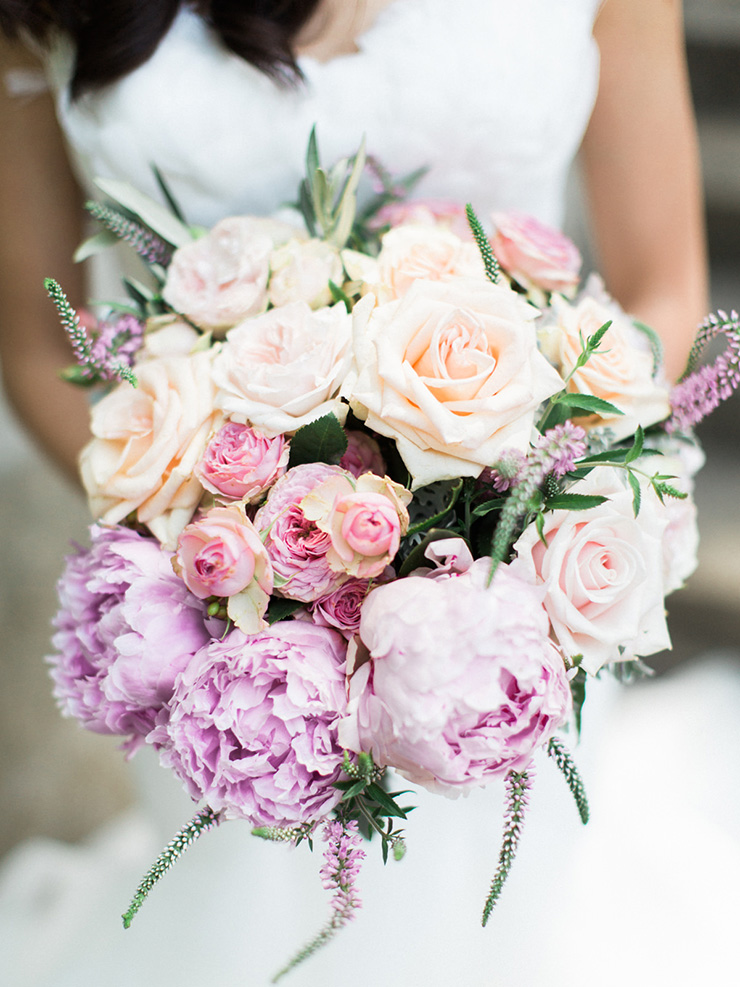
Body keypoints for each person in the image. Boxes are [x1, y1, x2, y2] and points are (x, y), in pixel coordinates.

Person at [2, 3, 736, 986]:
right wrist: (207, 534)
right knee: (240, 924)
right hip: (224, 625)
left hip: (507, 602)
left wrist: (520, 526)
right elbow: (36, 340)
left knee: (499, 929)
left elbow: (662, 284)